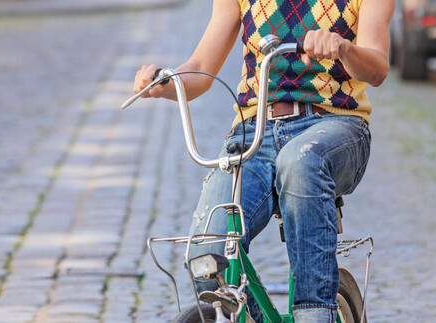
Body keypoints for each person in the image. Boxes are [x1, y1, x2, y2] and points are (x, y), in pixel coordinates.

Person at [132, 0, 393, 321]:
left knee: (301, 162)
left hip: (336, 126)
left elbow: (378, 68)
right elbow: (200, 67)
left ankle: (314, 312)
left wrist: (343, 49)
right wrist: (165, 81)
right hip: (254, 133)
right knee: (206, 255)